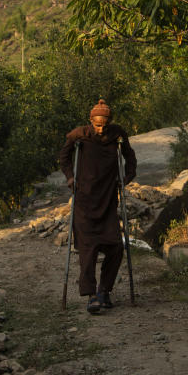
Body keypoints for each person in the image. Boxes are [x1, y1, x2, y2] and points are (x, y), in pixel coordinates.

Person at [59, 99, 137, 314]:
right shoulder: (79, 135)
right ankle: (91, 296)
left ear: (109, 122)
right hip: (84, 200)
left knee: (116, 248)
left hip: (108, 199)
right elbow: (64, 157)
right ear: (91, 121)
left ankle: (104, 290)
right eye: (97, 124)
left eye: (104, 124)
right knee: (88, 250)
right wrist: (70, 178)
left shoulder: (117, 135)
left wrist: (127, 177)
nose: (100, 128)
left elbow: (130, 157)